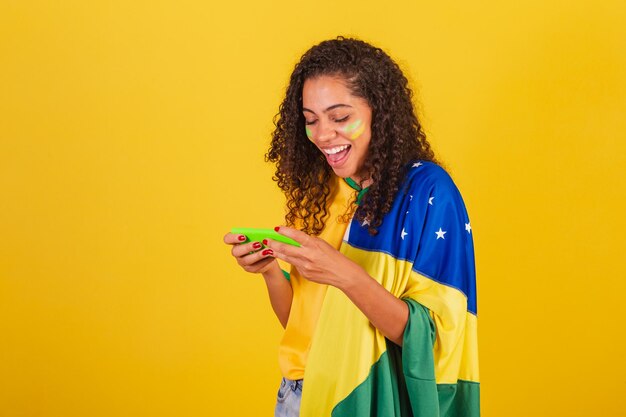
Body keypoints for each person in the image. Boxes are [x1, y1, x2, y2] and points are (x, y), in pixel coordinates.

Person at [223, 37, 479, 417]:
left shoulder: (428, 191)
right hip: (297, 397)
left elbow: (433, 337)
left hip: (363, 399)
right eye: (311, 120)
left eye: (340, 117)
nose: (323, 135)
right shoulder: (319, 191)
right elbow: (305, 327)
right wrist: (271, 273)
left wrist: (345, 275)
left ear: (380, 111)